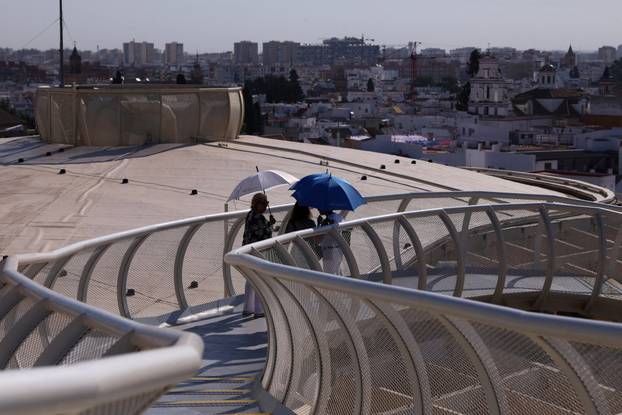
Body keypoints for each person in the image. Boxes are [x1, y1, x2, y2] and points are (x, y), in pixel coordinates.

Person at [242, 193, 276, 317]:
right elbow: (265, 235)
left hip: (248, 250)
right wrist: (271, 225)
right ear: (257, 204)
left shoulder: (250, 215)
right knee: (259, 280)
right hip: (257, 252)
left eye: (267, 204)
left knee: (251, 279)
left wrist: (269, 223)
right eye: (264, 204)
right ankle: (258, 310)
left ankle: (248, 308)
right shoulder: (259, 218)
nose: (266, 207)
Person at [318, 210, 344, 275]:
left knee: (329, 277)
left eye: (320, 208)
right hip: (339, 251)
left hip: (329, 252)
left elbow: (318, 240)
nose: (318, 209)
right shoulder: (339, 217)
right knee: (338, 274)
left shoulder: (326, 222)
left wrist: (319, 225)